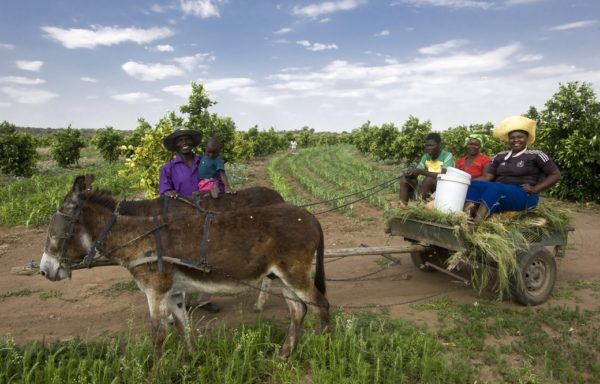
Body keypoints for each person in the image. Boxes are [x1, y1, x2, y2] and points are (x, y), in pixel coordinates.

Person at [158, 127, 220, 313]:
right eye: (180, 140)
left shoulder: (205, 161)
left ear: (192, 143)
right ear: (175, 145)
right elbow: (164, 191)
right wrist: (170, 193)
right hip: (182, 218)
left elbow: (219, 184)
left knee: (207, 256)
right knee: (184, 259)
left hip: (207, 214)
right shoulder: (168, 167)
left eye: (187, 139)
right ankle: (182, 300)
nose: (184, 143)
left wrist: (213, 189)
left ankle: (204, 299)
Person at [464, 116, 561, 225]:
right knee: (474, 184)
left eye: (520, 137)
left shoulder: (536, 154)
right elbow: (488, 177)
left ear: (527, 138)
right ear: (508, 140)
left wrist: (535, 189)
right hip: (500, 193)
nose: (516, 140)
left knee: (496, 187)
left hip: (524, 195)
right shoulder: (500, 156)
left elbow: (555, 174)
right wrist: (467, 182)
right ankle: (464, 218)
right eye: (512, 138)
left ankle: (474, 226)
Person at [398, 132, 454, 206]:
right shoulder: (426, 157)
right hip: (426, 187)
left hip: (442, 188)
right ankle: (402, 206)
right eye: (427, 146)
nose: (428, 148)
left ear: (439, 145)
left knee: (429, 179)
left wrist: (421, 171)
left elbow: (443, 175)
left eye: (431, 145)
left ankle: (417, 206)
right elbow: (418, 170)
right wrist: (410, 172)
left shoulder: (447, 155)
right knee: (405, 179)